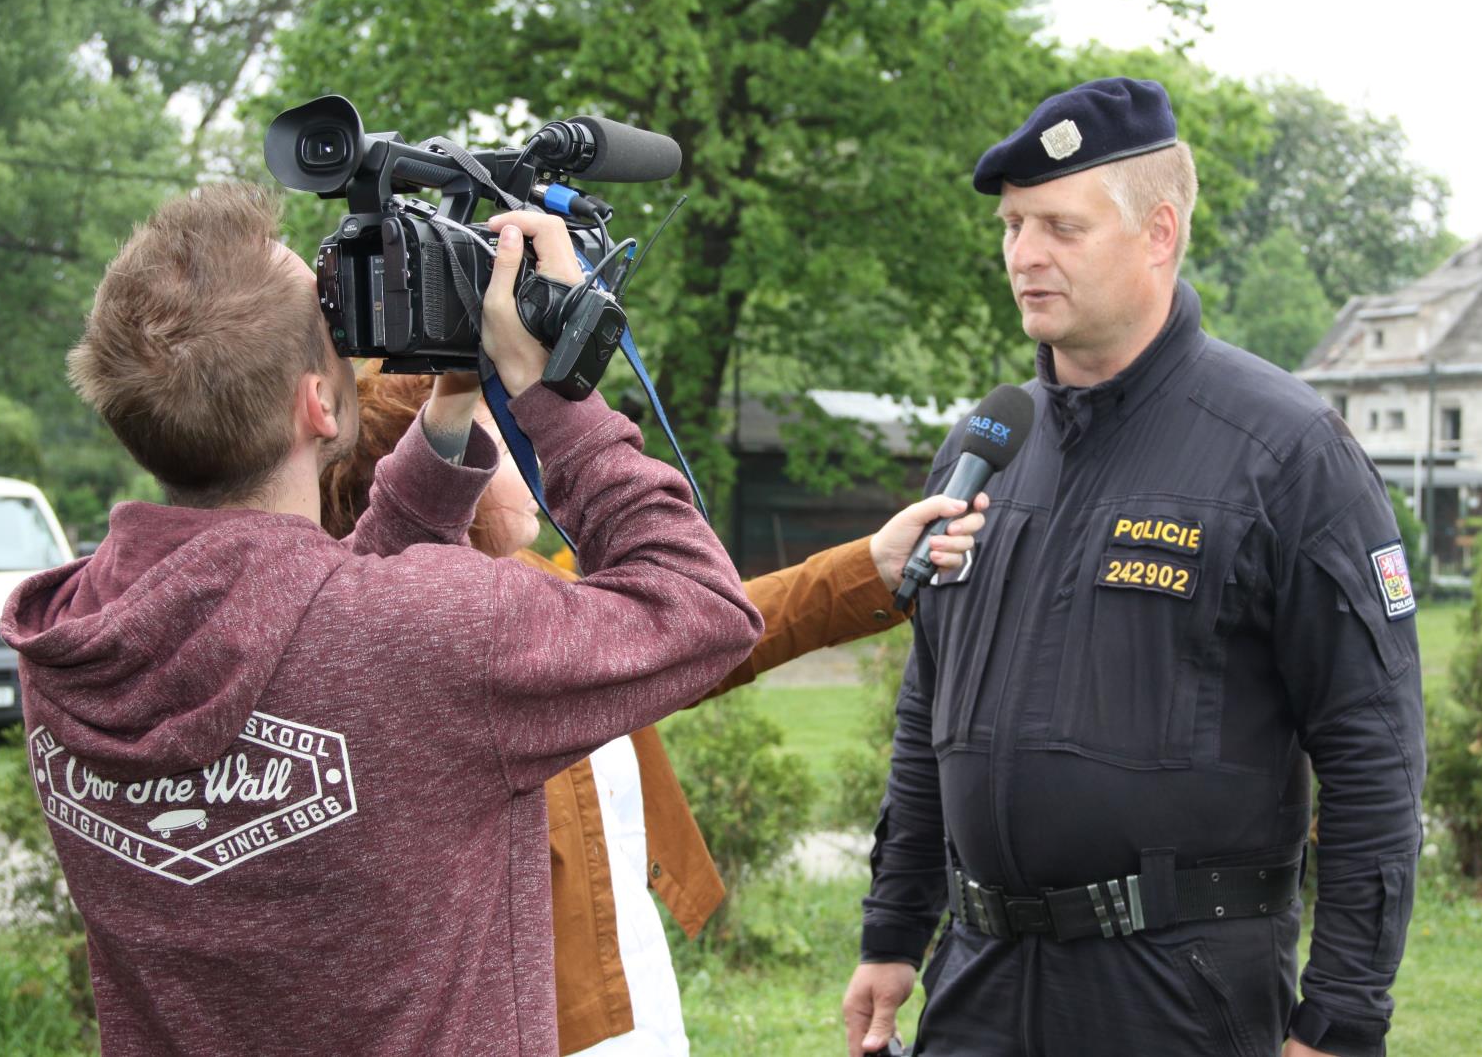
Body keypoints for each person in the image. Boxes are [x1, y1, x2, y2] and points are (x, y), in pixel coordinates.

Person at [0, 182, 767, 1057]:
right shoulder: (419, 635)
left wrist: (448, 411)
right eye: (333, 324)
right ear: (318, 406)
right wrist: (553, 395)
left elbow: (313, 628)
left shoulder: (68, 639)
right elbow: (702, 607)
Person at [841, 78, 1426, 1057]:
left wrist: (1340, 1017)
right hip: (979, 982)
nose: (1023, 255)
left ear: (1158, 234)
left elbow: (1372, 754)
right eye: (1012, 225)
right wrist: (894, 929)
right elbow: (928, 706)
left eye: (1060, 227)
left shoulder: (1282, 451)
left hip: (1177, 993)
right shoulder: (986, 448)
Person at [320, 366, 990, 1056]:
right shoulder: (433, 640)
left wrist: (869, 567)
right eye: (501, 430)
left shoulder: (536, 590)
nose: (532, 452)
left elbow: (700, 637)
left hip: (635, 1003)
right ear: (432, 459)